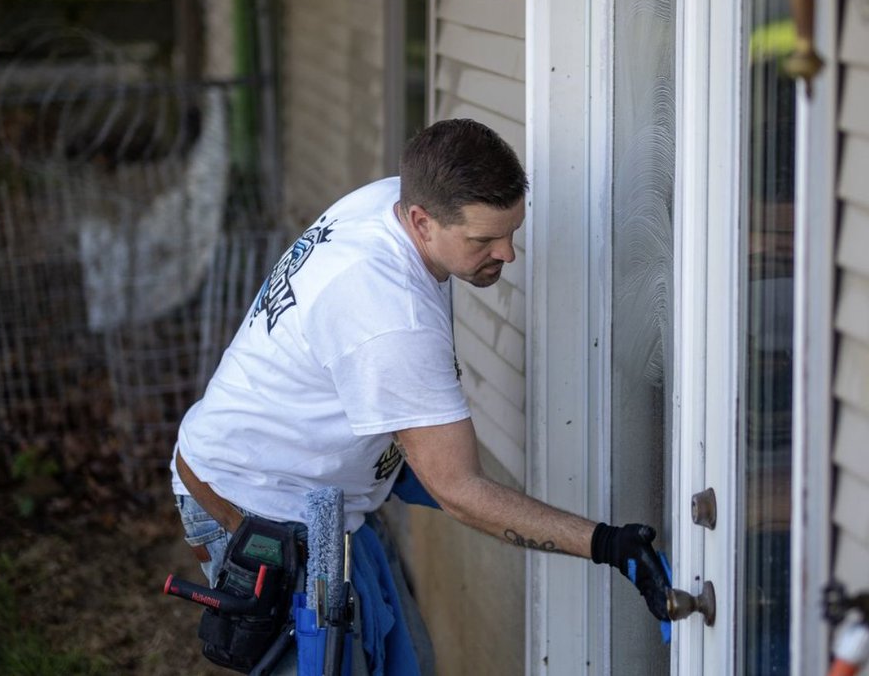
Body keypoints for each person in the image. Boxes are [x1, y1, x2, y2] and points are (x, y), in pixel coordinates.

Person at [171, 118, 671, 674]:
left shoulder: (390, 199)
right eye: (484, 240)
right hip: (255, 504)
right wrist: (608, 545)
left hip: (316, 494)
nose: (508, 254)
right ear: (422, 221)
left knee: (408, 660)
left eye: (512, 231)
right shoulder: (391, 316)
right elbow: (459, 491)